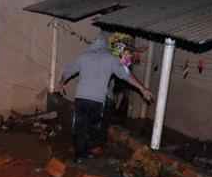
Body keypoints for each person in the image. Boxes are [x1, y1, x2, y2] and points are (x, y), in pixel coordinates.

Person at [57, 32, 153, 162]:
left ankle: (80, 155)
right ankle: (87, 151)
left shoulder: (83, 57)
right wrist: (142, 88)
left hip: (81, 99)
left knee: (80, 127)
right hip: (97, 101)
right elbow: (126, 75)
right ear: (105, 47)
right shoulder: (111, 59)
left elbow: (68, 71)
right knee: (92, 128)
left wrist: (61, 83)